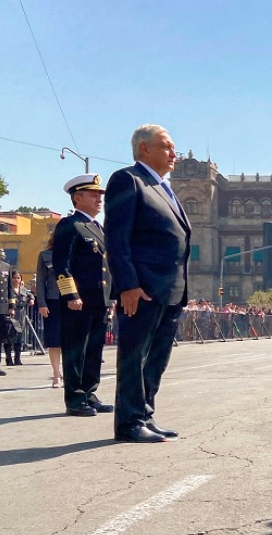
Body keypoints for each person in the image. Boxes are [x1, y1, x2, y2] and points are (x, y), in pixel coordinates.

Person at [105, 124, 192, 443]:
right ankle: (128, 422)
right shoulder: (128, 180)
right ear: (144, 148)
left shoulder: (163, 187)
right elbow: (116, 237)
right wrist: (127, 284)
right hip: (141, 289)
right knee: (134, 355)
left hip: (170, 290)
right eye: (167, 147)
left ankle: (144, 414)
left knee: (157, 358)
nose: (174, 154)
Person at [53, 174, 113, 417]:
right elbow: (61, 264)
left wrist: (112, 297)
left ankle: (89, 392)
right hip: (79, 300)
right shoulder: (70, 225)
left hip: (99, 299)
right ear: (77, 198)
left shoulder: (97, 228)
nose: (99, 198)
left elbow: (106, 268)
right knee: (76, 349)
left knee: (94, 349)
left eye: (100, 195)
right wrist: (71, 295)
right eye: (93, 194)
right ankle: (75, 399)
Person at [36, 237, 63, 387]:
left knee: (71, 341)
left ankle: (70, 374)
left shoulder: (76, 254)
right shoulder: (45, 255)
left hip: (73, 300)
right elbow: (40, 281)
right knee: (54, 341)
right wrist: (42, 303)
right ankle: (56, 374)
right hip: (52, 301)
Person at [3, 271, 33, 366]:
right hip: (11, 315)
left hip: (21, 315)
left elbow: (31, 294)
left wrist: (32, 299)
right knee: (9, 337)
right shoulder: (8, 290)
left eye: (18, 278)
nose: (16, 280)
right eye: (14, 278)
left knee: (19, 338)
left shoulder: (23, 290)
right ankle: (9, 358)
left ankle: (17, 358)